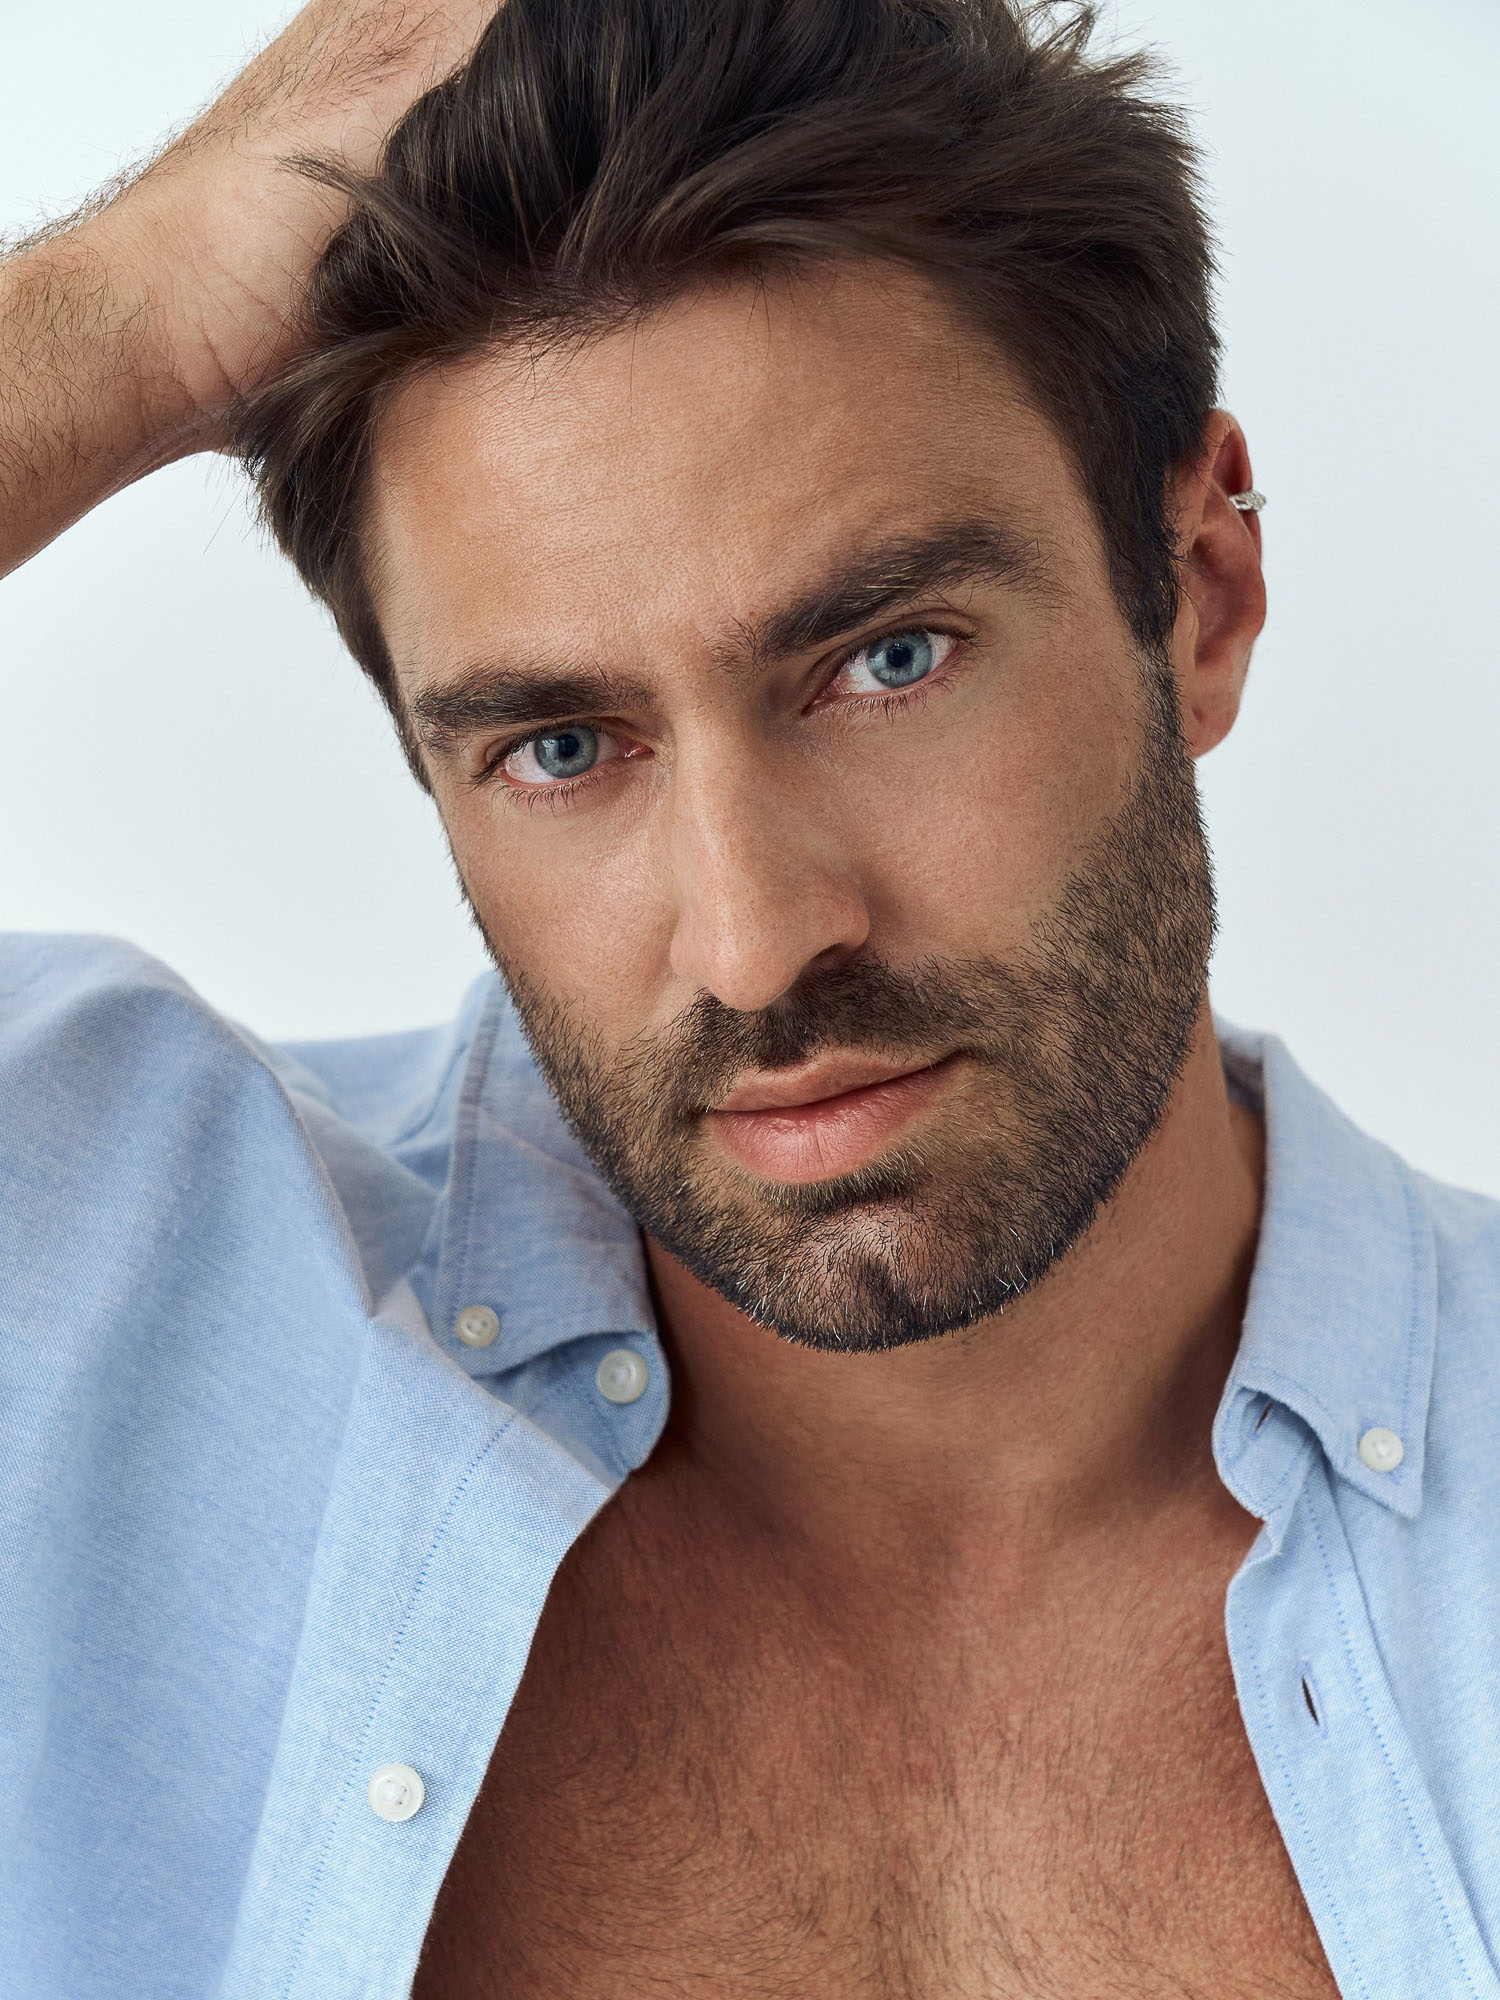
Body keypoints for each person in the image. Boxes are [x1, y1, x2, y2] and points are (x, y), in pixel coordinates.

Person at [2, 1, 1496, 1996]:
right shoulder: (100, 1305)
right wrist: (128, 317)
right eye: (560, 747)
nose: (754, 940)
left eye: (888, 661)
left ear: (1202, 597)